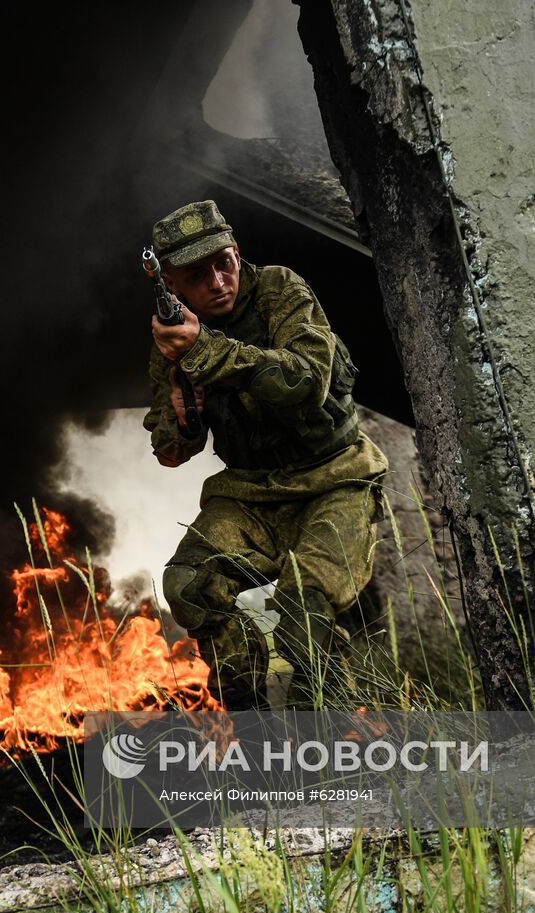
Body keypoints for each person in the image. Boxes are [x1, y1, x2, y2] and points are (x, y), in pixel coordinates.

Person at [144, 200, 389, 710]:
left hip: (333, 479)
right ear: (171, 286)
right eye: (197, 274)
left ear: (237, 253)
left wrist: (207, 353)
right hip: (253, 493)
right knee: (189, 585)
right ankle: (248, 710)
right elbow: (171, 451)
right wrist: (182, 413)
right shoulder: (174, 336)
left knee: (305, 609)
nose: (217, 282)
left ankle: (332, 728)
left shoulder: (279, 289)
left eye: (224, 263)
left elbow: (305, 381)